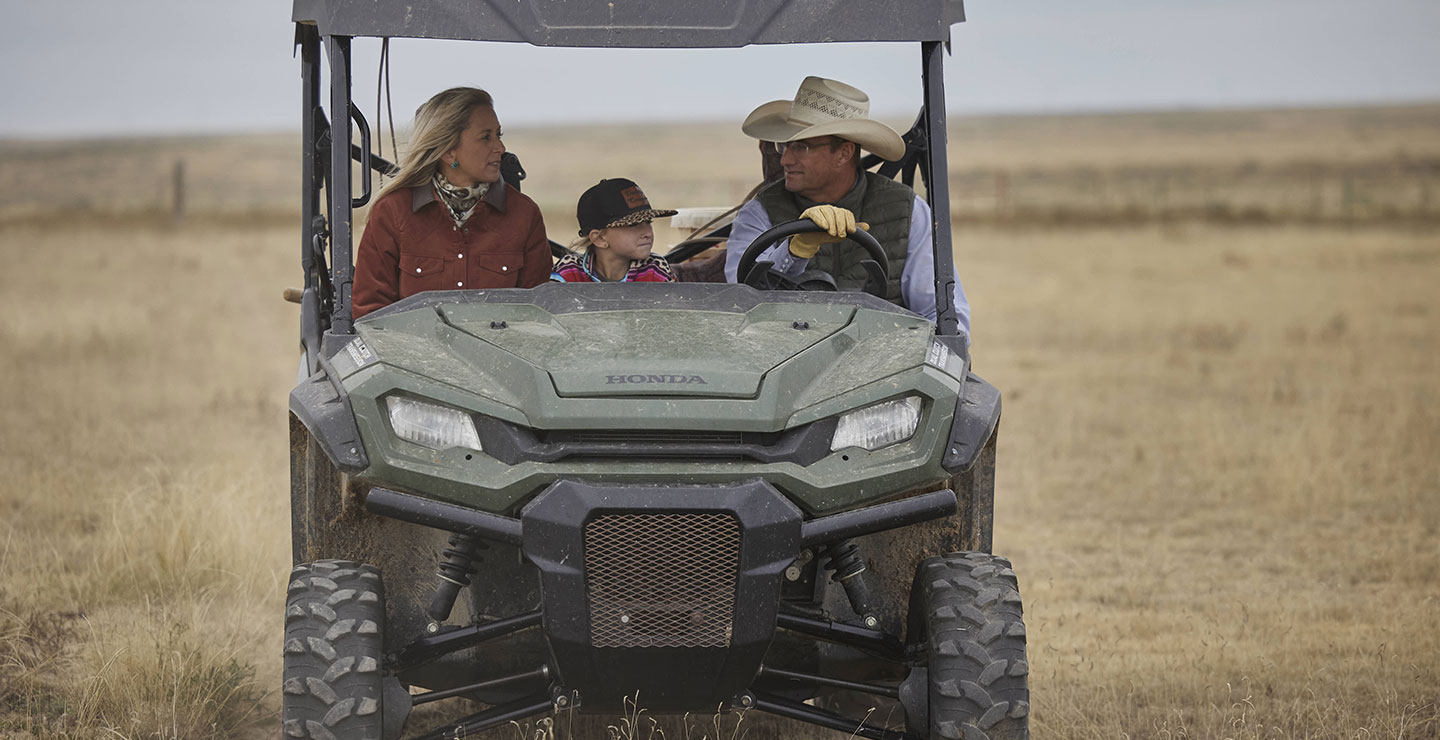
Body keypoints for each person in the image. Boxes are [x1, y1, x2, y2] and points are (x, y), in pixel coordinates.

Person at [724, 76, 970, 340]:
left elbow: (943, 318)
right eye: (784, 146)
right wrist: (795, 251)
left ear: (843, 153)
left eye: (801, 147)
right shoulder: (759, 211)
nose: (785, 159)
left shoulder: (908, 211)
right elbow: (742, 299)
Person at [352, 87, 550, 318]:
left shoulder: (523, 214)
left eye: (499, 135)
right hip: (412, 354)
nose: (500, 148)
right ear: (448, 152)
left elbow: (539, 312)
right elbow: (370, 311)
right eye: (486, 137)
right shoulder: (393, 212)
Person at [551, 178, 678, 283]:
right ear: (599, 238)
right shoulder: (569, 272)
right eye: (633, 225)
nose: (647, 233)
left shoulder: (655, 269)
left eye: (648, 222)